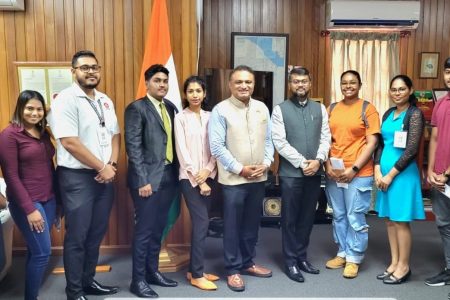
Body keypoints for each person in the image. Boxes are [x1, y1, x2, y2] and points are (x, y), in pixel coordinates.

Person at [48, 50, 120, 300]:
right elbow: (69, 142)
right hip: (77, 178)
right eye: (84, 67)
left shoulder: (105, 100)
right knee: (77, 236)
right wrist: (102, 167)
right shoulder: (65, 100)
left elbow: (114, 135)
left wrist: (110, 164)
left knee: (96, 233)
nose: (91, 72)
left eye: (95, 67)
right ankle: (74, 291)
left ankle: (88, 281)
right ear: (73, 71)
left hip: (105, 175)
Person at [209, 65, 274, 292]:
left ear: (253, 84)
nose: (244, 86)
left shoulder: (262, 108)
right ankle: (233, 269)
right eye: (238, 82)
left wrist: (266, 163)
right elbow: (216, 146)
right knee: (233, 226)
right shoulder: (220, 110)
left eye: (248, 82)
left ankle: (247, 262)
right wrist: (240, 169)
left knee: (251, 225)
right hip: (233, 181)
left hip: (258, 178)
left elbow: (269, 141)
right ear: (230, 85)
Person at [271, 67, 331, 283]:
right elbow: (279, 141)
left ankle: (301, 257)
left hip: (314, 173)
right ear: (290, 84)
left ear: (310, 83)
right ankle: (290, 262)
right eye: (296, 81)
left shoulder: (320, 108)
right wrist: (302, 162)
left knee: (307, 218)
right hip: (291, 174)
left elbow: (326, 137)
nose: (300, 85)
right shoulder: (280, 109)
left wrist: (319, 160)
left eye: (304, 81)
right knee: (290, 219)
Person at [125, 64, 179, 298]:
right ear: (147, 83)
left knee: (158, 228)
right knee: (144, 231)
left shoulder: (170, 106)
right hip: (147, 181)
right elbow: (133, 147)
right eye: (157, 80)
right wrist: (142, 180)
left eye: (165, 81)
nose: (162, 85)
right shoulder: (136, 108)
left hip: (169, 176)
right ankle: (137, 281)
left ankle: (152, 272)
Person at [0, 90, 58, 300]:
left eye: (39, 109)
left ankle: (29, 295)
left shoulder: (43, 133)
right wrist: (30, 210)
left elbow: (50, 168)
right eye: (30, 108)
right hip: (27, 202)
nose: (35, 113)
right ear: (20, 109)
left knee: (35, 251)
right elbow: (11, 176)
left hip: (49, 199)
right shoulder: (9, 134)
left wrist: (57, 201)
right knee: (43, 252)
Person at [324, 70, 380, 279]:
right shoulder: (331, 109)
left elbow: (372, 142)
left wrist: (354, 169)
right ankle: (342, 252)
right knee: (338, 214)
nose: (348, 86)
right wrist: (327, 164)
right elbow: (326, 140)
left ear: (359, 84)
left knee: (354, 215)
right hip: (335, 172)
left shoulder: (368, 109)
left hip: (359, 172)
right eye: (344, 83)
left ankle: (354, 257)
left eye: (352, 83)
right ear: (340, 85)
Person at [374, 75, 425, 284]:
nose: (397, 93)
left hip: (402, 176)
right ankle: (394, 262)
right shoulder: (388, 113)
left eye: (402, 89)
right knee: (389, 220)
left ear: (410, 90)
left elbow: (412, 150)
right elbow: (380, 144)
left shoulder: (414, 114)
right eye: (393, 89)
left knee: (401, 221)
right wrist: (377, 169)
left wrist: (390, 174)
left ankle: (404, 266)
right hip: (383, 175)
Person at [174, 76, 219, 291]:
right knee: (202, 223)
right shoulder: (180, 118)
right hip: (189, 179)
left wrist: (208, 170)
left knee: (203, 224)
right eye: (190, 91)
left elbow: (217, 148)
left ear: (204, 93)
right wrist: (198, 179)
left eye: (198, 91)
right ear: (185, 94)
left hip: (209, 176)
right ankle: (197, 275)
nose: (194, 95)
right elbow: (182, 153)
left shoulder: (212, 117)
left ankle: (194, 269)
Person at [425, 57, 450, 287]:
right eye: (448, 71)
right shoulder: (441, 103)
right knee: (444, 224)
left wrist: (447, 173)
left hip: (447, 176)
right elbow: (433, 138)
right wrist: (431, 169)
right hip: (439, 176)